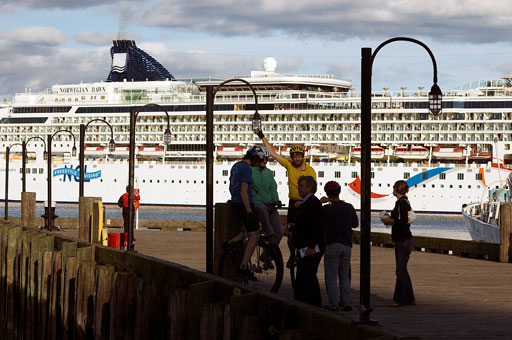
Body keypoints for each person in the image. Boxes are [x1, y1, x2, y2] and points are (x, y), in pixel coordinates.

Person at [255, 128, 316, 267]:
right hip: (293, 203)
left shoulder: (310, 170)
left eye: (298, 156)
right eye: (294, 156)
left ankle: (303, 255)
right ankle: (292, 255)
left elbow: (314, 188)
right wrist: (262, 137)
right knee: (290, 233)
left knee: (305, 232)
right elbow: (273, 153)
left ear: (303, 156)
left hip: (305, 204)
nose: (296, 158)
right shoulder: (289, 166)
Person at [225, 146, 265, 277]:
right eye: (260, 161)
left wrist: (233, 199)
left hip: (236, 203)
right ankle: (243, 266)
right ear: (256, 158)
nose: (260, 164)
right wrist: (249, 211)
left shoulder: (235, 166)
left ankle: (229, 243)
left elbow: (231, 187)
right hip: (244, 204)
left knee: (247, 230)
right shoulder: (247, 168)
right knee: (254, 235)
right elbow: (244, 191)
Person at [320, 181, 359, 312]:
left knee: (331, 276)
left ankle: (333, 304)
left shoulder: (325, 209)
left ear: (327, 193)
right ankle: (347, 302)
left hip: (331, 244)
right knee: (344, 276)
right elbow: (355, 224)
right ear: (339, 192)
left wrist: (321, 203)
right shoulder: (349, 207)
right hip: (346, 245)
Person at [381, 180, 416, 307]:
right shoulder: (403, 202)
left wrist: (389, 220)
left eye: (394, 187)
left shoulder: (401, 203)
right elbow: (401, 219)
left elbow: (402, 221)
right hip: (404, 239)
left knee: (400, 270)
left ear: (397, 189)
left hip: (403, 240)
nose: (393, 189)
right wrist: (390, 218)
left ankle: (399, 299)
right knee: (403, 269)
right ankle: (410, 297)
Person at [292, 175, 324, 307]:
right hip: (306, 245)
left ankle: (312, 302)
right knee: (305, 274)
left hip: (310, 247)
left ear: (310, 188)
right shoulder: (309, 202)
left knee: (307, 274)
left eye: (302, 186)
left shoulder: (312, 203)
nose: (299, 188)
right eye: (299, 185)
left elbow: (316, 226)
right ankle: (306, 301)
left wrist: (311, 246)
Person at [251, 145, 283, 247]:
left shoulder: (268, 172)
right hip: (256, 203)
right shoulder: (250, 171)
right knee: (261, 208)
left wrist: (276, 200)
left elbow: (273, 188)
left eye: (267, 158)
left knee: (279, 232)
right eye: (264, 158)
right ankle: (269, 233)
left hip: (270, 204)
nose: (266, 161)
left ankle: (266, 257)